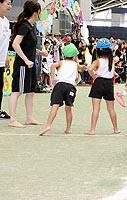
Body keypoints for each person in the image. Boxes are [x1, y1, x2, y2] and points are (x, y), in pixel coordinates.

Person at [9, 0, 48, 128]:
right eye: (40, 12)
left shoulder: (31, 27)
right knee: (17, 91)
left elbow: (27, 46)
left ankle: (29, 118)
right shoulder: (24, 26)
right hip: (22, 65)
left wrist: (39, 52)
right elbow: (15, 44)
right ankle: (12, 120)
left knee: (30, 92)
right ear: (36, 13)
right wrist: (25, 60)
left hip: (30, 64)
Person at [39, 44, 81, 136]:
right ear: (74, 56)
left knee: (55, 106)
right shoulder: (76, 64)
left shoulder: (61, 62)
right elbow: (77, 77)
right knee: (68, 108)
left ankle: (48, 125)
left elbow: (53, 65)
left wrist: (53, 77)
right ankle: (68, 128)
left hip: (60, 84)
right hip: (70, 86)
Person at [85, 38, 120, 135]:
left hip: (98, 82)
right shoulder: (112, 60)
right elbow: (117, 58)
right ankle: (116, 129)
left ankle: (92, 130)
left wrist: (94, 76)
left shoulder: (97, 61)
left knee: (96, 108)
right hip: (109, 84)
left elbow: (90, 69)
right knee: (111, 109)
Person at [0, 0, 12, 119]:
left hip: (1, 60)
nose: (10, 6)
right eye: (7, 3)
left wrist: (6, 56)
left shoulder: (6, 22)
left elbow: (5, 42)